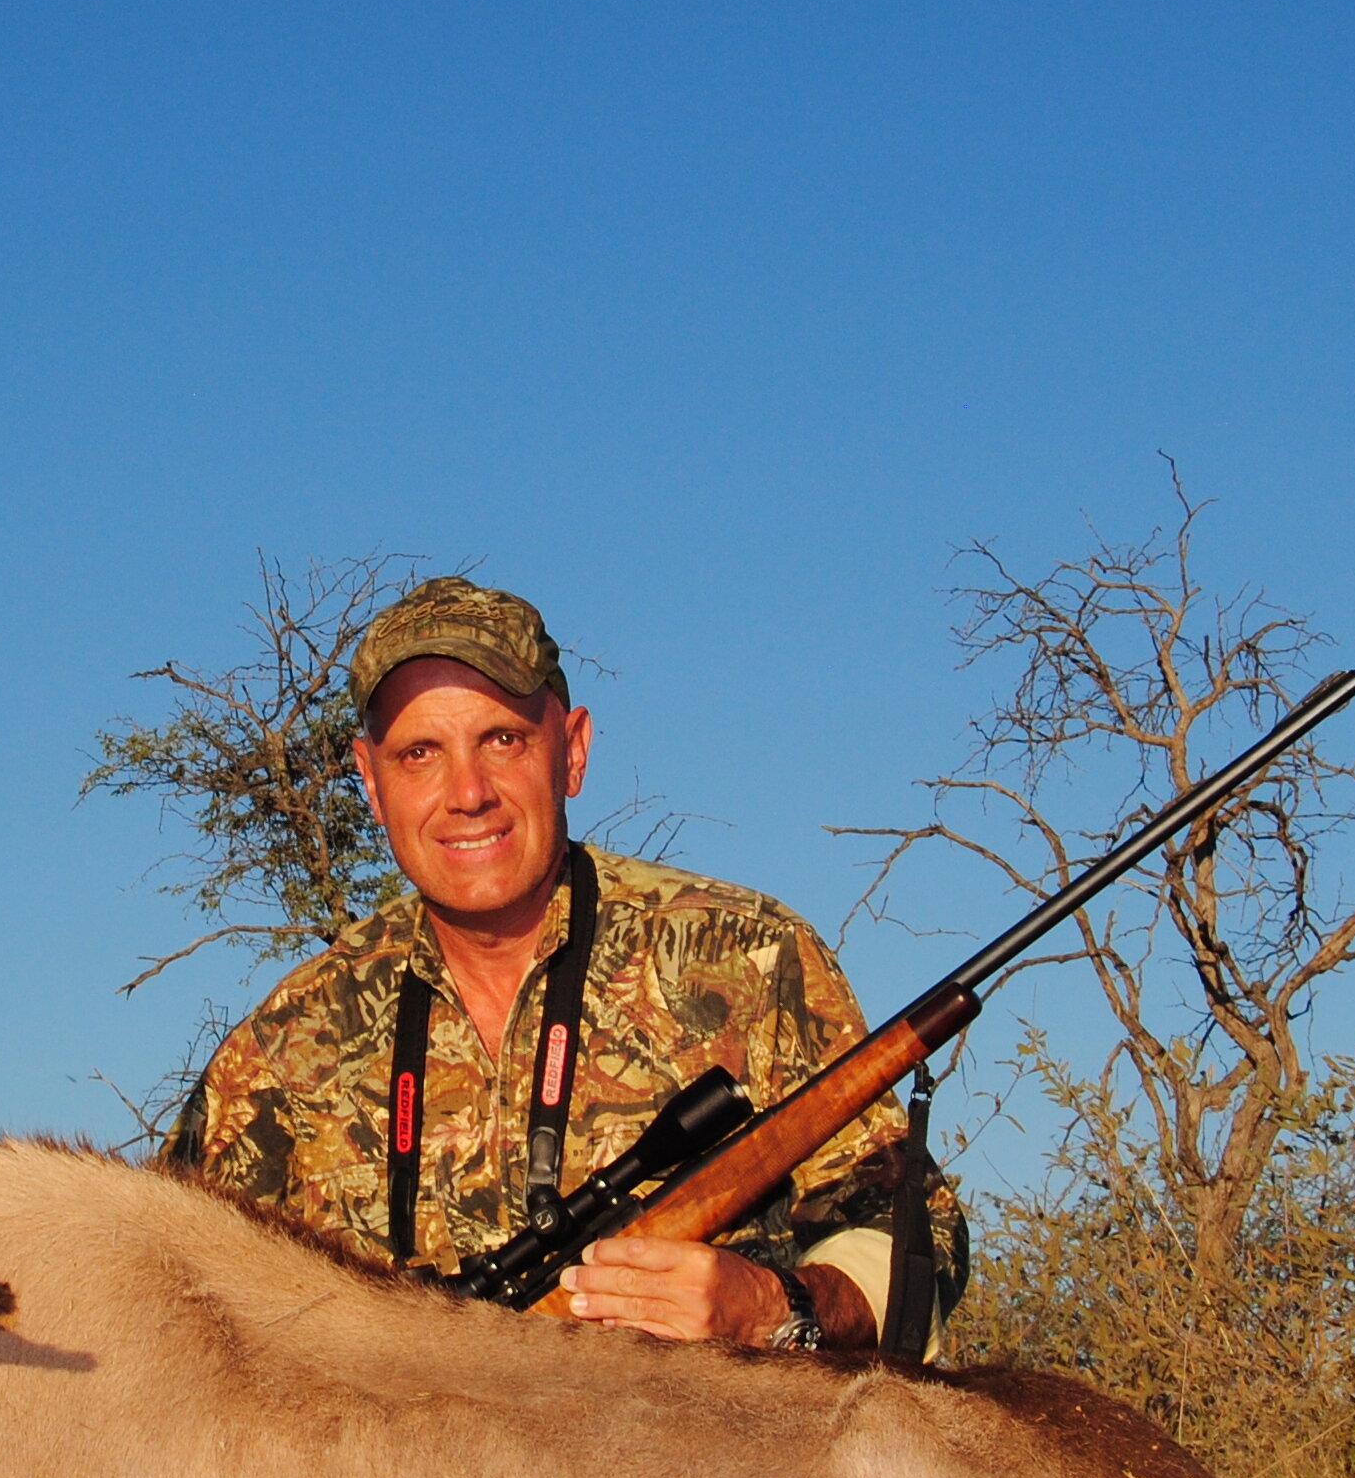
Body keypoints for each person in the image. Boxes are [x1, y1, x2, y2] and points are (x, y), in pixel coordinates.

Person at [166, 576, 961, 1350]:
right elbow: (168, 1308)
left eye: (502, 740)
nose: (467, 792)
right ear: (371, 785)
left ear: (571, 752)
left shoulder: (745, 957)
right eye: (419, 754)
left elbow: (921, 1241)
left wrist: (768, 1307)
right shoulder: (285, 1043)